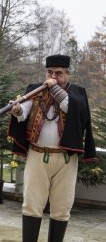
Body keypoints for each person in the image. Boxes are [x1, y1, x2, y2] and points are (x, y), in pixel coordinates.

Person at [8, 54, 96, 242]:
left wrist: (54, 87)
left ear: (67, 74)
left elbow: (71, 108)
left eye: (59, 73)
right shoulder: (35, 90)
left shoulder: (78, 93)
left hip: (65, 160)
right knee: (31, 205)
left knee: (62, 208)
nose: (54, 76)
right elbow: (24, 111)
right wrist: (17, 110)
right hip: (37, 156)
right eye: (50, 72)